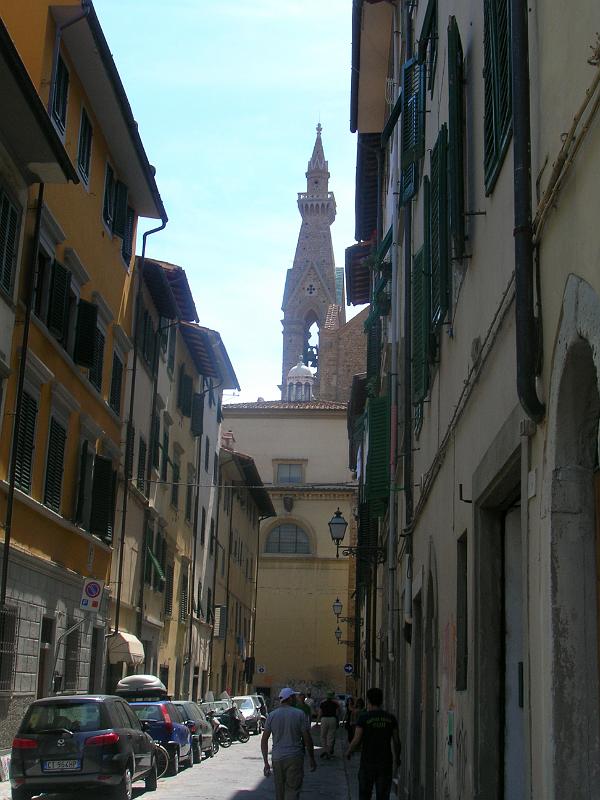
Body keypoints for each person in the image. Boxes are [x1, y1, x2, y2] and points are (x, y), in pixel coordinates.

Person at [261, 687, 316, 800]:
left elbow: (264, 739)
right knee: (293, 790)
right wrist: (311, 758)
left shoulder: (272, 715)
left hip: (277, 758)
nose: (296, 699)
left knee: (279, 791)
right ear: (290, 698)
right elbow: (307, 738)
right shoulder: (299, 714)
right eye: (294, 697)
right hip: (294, 756)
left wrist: (266, 762)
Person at [346, 687, 400, 800]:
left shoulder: (364, 718)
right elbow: (396, 741)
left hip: (367, 762)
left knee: (365, 794)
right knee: (383, 795)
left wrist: (349, 752)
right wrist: (397, 757)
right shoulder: (390, 718)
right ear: (382, 700)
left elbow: (356, 739)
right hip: (385, 762)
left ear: (368, 700)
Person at [317, 690, 340, 759]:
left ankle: (325, 750)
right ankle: (329, 751)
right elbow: (337, 713)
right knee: (331, 736)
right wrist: (337, 720)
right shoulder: (335, 704)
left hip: (324, 719)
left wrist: (317, 722)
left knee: (323, 736)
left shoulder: (322, 703)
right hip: (332, 719)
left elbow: (320, 713)